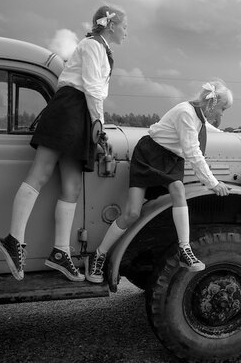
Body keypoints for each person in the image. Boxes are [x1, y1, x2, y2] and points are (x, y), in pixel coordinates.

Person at [0, 5, 128, 281]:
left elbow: (94, 92)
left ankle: (60, 251)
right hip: (70, 109)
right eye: (124, 25)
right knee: (41, 172)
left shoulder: (103, 48)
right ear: (111, 25)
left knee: (72, 187)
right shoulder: (91, 45)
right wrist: (99, 126)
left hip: (82, 114)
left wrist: (95, 124)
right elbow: (92, 88)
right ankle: (13, 238)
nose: (127, 31)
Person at [84, 80, 232, 283]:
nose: (222, 114)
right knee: (132, 213)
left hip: (170, 160)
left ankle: (184, 248)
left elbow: (202, 129)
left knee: (178, 189)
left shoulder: (198, 117)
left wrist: (226, 134)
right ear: (212, 105)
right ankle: (99, 254)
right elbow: (192, 151)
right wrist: (213, 183)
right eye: (223, 109)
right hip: (150, 156)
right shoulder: (186, 113)